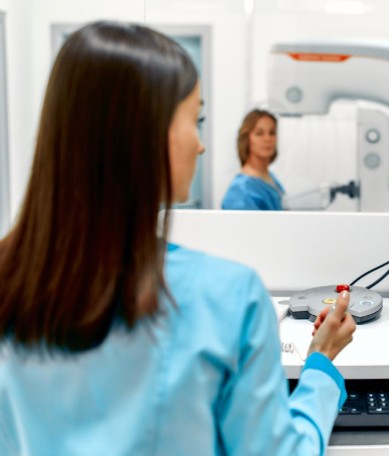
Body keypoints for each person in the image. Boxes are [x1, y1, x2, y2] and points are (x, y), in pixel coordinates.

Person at [0, 21, 355, 456]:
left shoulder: (10, 282)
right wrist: (320, 365)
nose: (201, 146)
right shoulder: (227, 299)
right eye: (196, 121)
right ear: (147, 135)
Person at [221, 109, 285, 210]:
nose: (267, 139)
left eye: (272, 133)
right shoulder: (241, 190)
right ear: (246, 139)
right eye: (259, 133)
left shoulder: (269, 177)